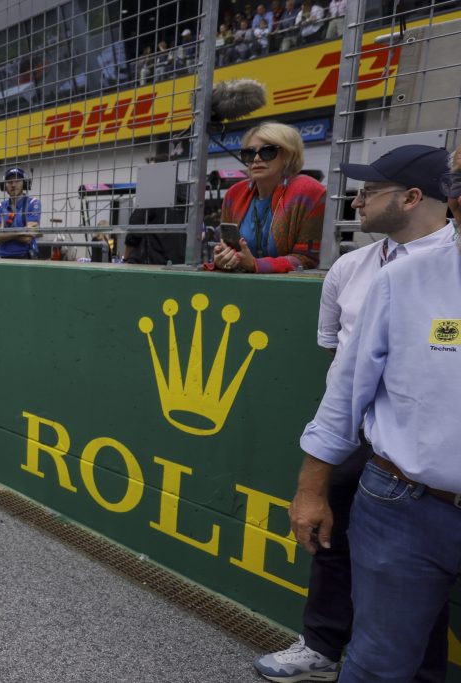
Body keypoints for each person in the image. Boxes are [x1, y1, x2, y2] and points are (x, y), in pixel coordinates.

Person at [254, 144, 455, 682]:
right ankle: (321, 646)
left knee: (412, 612)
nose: (356, 201)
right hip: (374, 447)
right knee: (333, 548)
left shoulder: (440, 262)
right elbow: (342, 363)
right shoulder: (353, 268)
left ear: (412, 198)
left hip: (422, 461)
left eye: (370, 190)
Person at [211, 121, 324, 273]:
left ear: (288, 156)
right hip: (240, 282)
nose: (256, 158)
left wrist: (256, 265)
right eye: (249, 153)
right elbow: (227, 247)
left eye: (268, 151)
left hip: (290, 285)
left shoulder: (308, 191)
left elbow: (308, 260)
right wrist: (223, 258)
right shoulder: (234, 193)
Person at [0, 168, 41, 259]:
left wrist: (4, 232)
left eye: (17, 181)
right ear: (4, 186)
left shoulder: (33, 203)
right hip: (2, 258)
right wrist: (22, 231)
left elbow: (27, 239)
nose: (13, 185)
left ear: (24, 183)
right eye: (9, 182)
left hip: (25, 258)